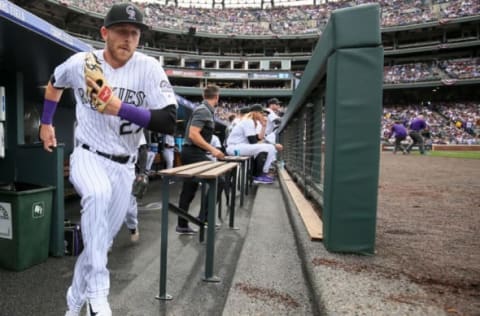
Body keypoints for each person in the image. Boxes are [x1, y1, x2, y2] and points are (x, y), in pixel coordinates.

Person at [39, 3, 177, 315]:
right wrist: (46, 123)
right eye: (121, 32)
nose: (128, 39)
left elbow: (169, 120)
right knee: (97, 195)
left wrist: (119, 107)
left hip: (124, 165)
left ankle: (74, 301)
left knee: (99, 243)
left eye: (134, 33)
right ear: (104, 33)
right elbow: (54, 83)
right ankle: (100, 294)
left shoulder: (148, 68)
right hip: (88, 155)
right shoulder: (83, 63)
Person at [177, 85, 225, 235]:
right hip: (192, 152)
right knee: (219, 180)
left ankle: (182, 225)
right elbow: (193, 134)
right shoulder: (203, 110)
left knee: (189, 189)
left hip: (192, 151)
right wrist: (213, 150)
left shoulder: (205, 110)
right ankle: (204, 219)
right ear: (216, 97)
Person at [226, 104, 278, 184]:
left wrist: (264, 126)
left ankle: (258, 174)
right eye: (261, 113)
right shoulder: (248, 121)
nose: (263, 115)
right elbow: (253, 141)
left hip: (239, 147)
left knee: (268, 148)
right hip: (235, 148)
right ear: (255, 113)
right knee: (270, 148)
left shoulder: (251, 122)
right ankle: (261, 174)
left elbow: (258, 138)